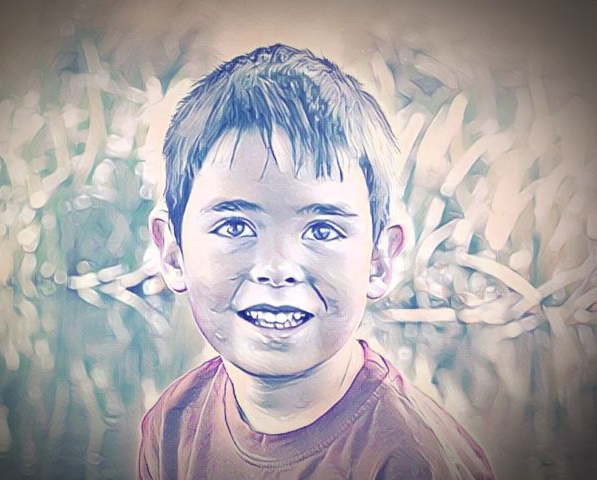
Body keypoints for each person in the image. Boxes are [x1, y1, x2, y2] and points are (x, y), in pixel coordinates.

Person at [140, 44, 494, 479]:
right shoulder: (173, 425)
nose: (277, 268)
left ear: (379, 259)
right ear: (173, 251)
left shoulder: (412, 460)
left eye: (322, 230)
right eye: (234, 227)